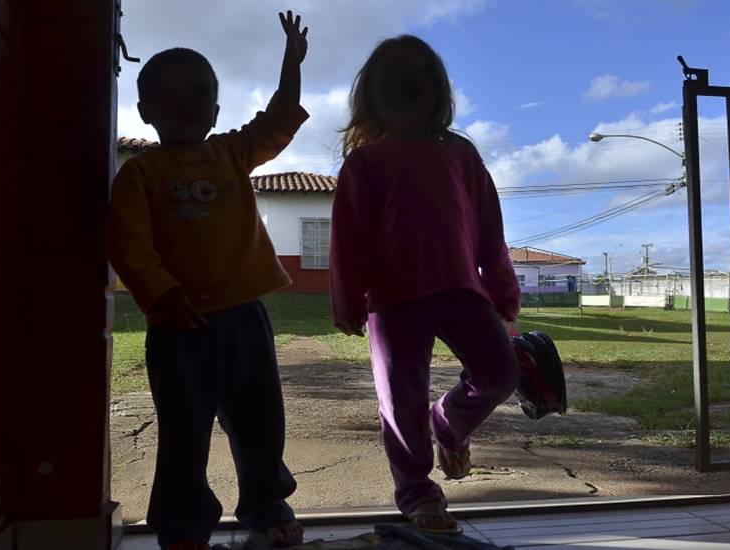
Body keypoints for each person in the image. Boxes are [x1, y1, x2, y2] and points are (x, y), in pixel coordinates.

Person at [107, 11, 310, 550]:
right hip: (178, 326)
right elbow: (129, 247)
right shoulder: (139, 175)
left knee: (262, 423)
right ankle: (181, 526)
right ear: (145, 111)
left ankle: (267, 503)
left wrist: (292, 64)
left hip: (246, 317)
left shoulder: (230, 152)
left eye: (197, 92)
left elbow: (280, 118)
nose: (184, 103)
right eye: (167, 96)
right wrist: (164, 296)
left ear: (216, 109)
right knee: (183, 435)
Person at [329, 35, 522, 535]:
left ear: (437, 89)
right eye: (395, 79)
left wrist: (503, 293)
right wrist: (347, 297)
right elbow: (348, 238)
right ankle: (417, 494)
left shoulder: (460, 154)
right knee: (400, 401)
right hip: (393, 301)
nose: (408, 85)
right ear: (372, 95)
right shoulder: (365, 163)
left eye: (419, 76)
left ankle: (449, 424)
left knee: (501, 372)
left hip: (461, 290)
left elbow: (489, 230)